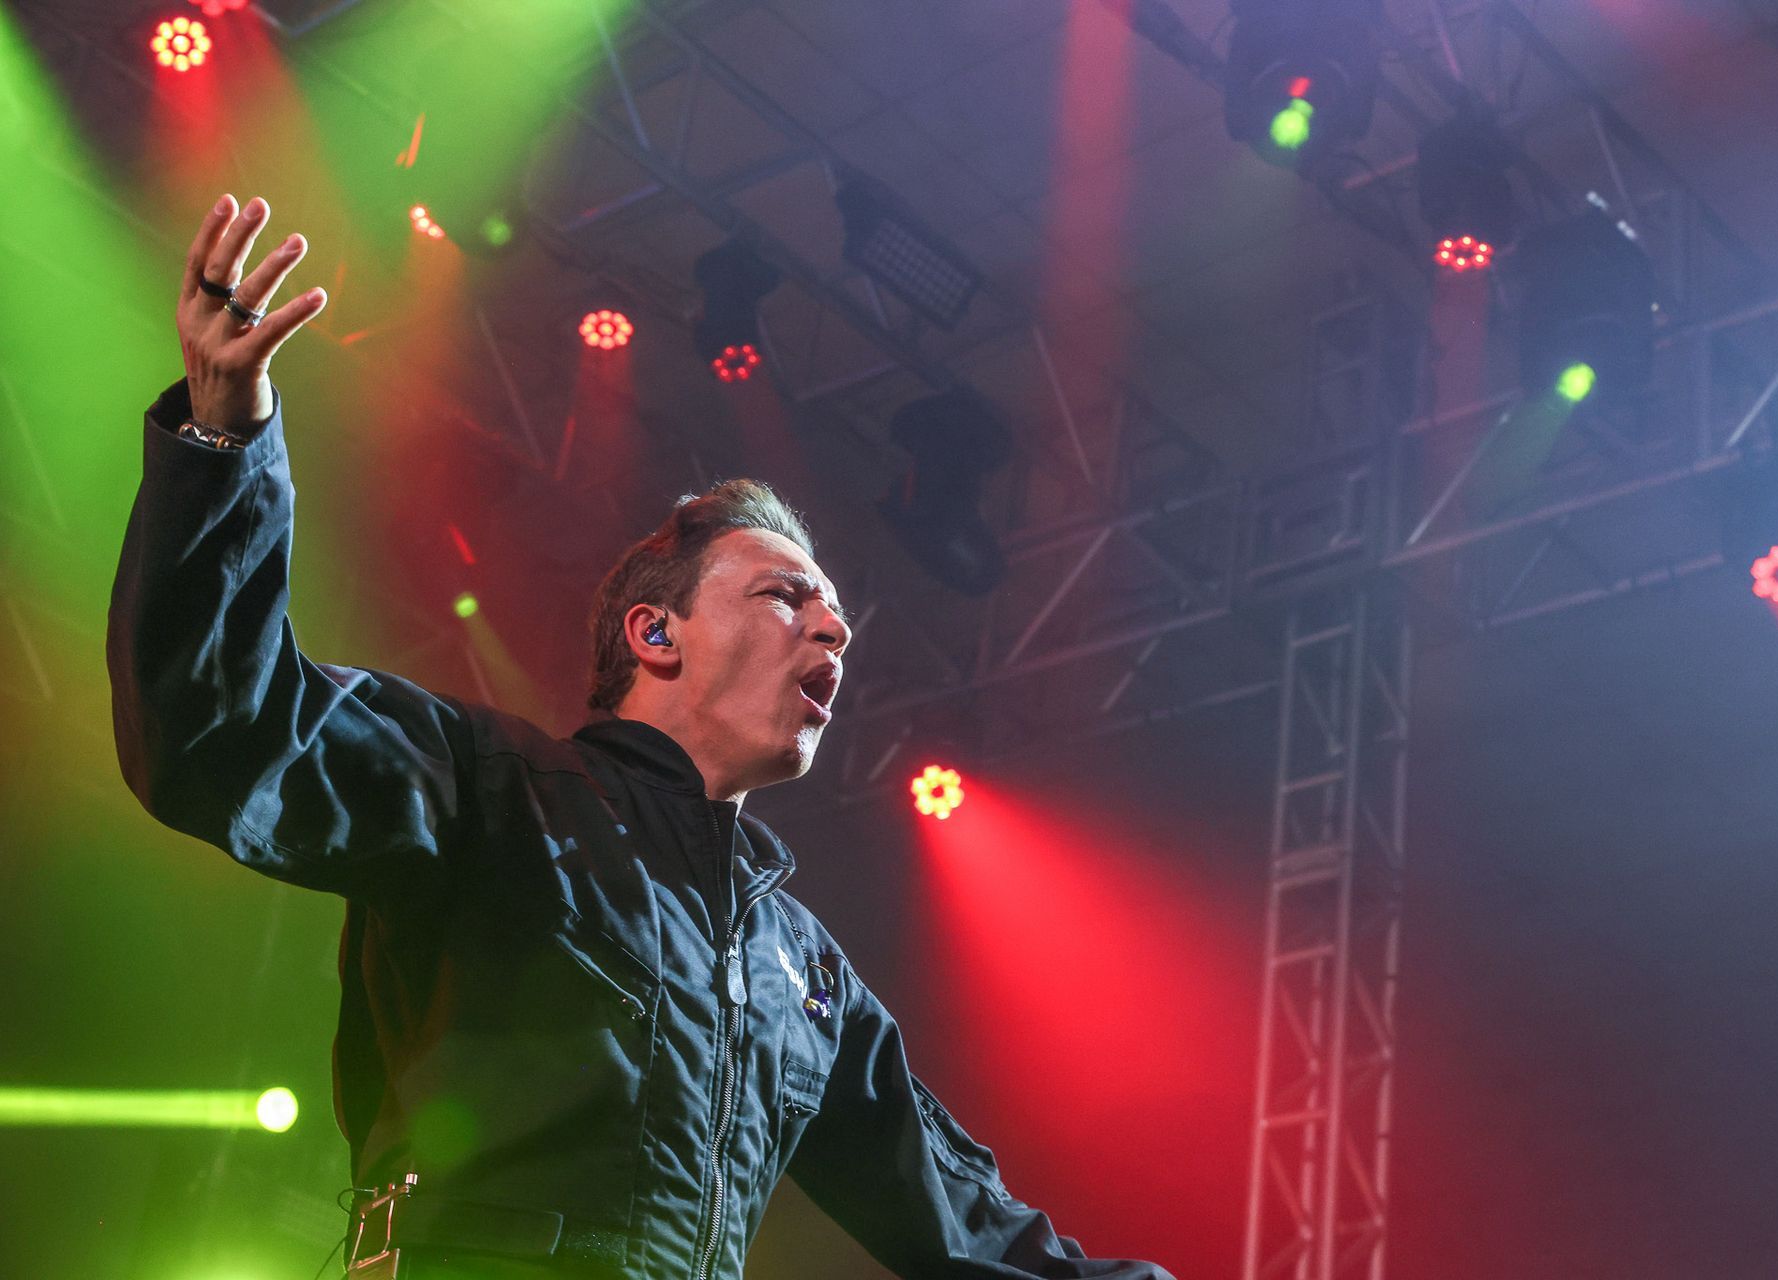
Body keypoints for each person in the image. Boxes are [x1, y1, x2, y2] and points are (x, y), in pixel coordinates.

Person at [107, 193, 1178, 1280]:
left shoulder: (798, 968)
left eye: (836, 611)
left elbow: (976, 1233)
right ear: (655, 632)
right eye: (786, 595)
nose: (834, 625)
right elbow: (221, 732)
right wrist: (221, 438)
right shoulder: (488, 784)